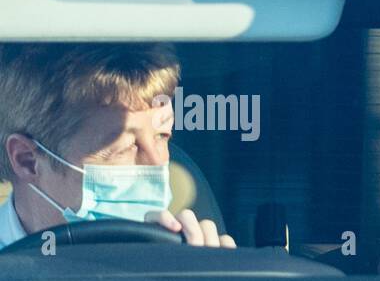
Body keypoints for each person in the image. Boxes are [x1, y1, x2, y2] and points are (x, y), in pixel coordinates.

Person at [0, 43, 234, 250]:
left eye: (162, 135)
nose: (158, 163)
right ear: (27, 160)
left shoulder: (177, 262)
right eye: (123, 147)